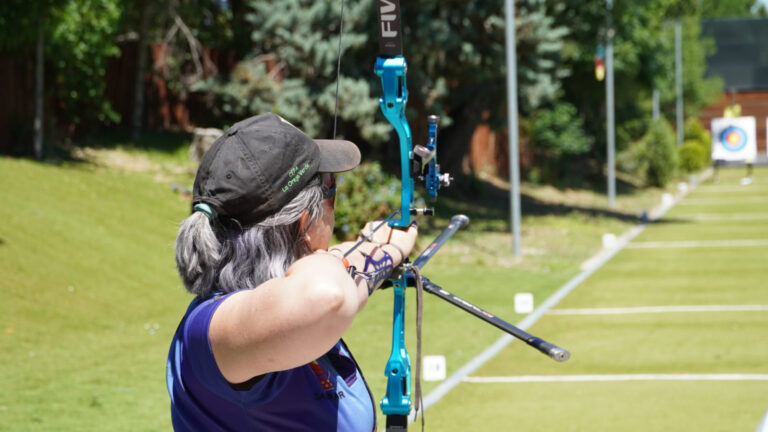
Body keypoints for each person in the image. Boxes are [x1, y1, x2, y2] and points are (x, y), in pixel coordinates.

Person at [166, 113, 418, 431]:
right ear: (304, 222)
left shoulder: (284, 310)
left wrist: (377, 247)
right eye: (330, 188)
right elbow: (328, 295)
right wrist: (376, 250)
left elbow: (330, 283)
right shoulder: (209, 331)